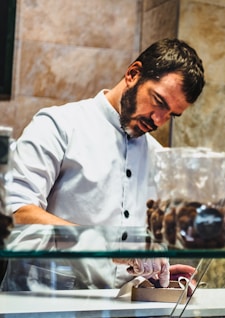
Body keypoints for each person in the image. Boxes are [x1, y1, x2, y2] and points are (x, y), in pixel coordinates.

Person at [1, 38, 205, 291]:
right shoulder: (58, 125)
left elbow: (137, 251)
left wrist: (150, 276)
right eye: (158, 102)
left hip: (115, 317)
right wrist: (109, 245)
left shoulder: (157, 155)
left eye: (171, 115)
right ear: (133, 73)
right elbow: (16, 212)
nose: (158, 120)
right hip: (39, 306)